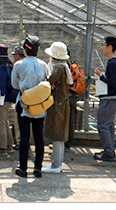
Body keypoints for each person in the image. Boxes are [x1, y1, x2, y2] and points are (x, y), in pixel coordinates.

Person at [11, 35, 49, 178]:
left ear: (25, 49)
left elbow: (14, 84)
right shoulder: (43, 64)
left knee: (24, 137)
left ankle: (23, 168)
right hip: (40, 105)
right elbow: (47, 83)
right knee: (39, 137)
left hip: (24, 104)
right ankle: (38, 168)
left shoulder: (19, 65)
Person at [43, 41, 72, 174]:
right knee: (60, 135)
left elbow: (49, 81)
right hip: (63, 103)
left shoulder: (59, 68)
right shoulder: (65, 66)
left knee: (56, 134)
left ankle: (55, 164)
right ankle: (58, 163)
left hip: (57, 105)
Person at [93, 36, 116, 162]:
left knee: (103, 125)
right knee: (108, 125)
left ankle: (108, 152)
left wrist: (100, 76)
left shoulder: (113, 63)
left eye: (103, 45)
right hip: (111, 98)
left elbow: (113, 82)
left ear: (110, 47)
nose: (101, 47)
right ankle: (109, 150)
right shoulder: (113, 62)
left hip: (110, 99)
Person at [0, 44, 16, 155]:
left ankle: (2, 148)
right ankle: (9, 145)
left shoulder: (2, 67)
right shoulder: (10, 65)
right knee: (5, 122)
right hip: (8, 98)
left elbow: (1, 84)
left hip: (2, 98)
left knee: (0, 123)